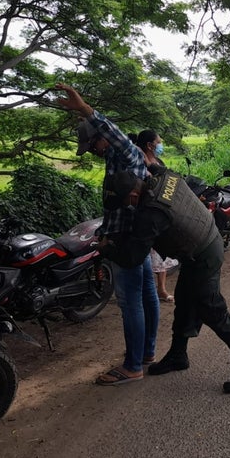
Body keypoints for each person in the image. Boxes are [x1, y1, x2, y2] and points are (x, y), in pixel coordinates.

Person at [100, 168, 230, 394]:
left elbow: (132, 258)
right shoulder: (164, 177)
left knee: (212, 311)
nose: (126, 207)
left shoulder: (151, 214)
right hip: (201, 245)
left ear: (133, 195)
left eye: (124, 203)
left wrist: (106, 249)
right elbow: (159, 168)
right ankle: (178, 355)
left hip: (205, 255)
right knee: (185, 300)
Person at [55, 83, 160, 386]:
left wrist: (86, 110)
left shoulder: (127, 154)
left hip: (126, 242)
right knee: (147, 294)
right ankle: (146, 353)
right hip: (134, 238)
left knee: (131, 303)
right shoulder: (117, 160)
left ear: (103, 138)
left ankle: (133, 366)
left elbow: (116, 135)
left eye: (93, 146)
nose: (93, 152)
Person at [133, 129, 176, 303]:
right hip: (148, 214)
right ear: (150, 145)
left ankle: (161, 289)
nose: (160, 145)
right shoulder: (141, 164)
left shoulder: (157, 161)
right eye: (158, 142)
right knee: (149, 256)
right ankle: (150, 292)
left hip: (160, 212)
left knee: (160, 254)